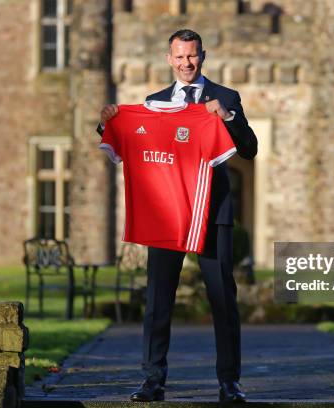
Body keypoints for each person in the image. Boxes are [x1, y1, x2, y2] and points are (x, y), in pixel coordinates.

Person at [97, 29, 257, 403]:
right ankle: (153, 380)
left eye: (193, 56)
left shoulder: (226, 97)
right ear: (168, 59)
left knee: (222, 300)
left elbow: (248, 149)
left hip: (212, 214)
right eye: (180, 57)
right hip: (167, 216)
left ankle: (229, 383)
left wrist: (227, 116)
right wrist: (107, 123)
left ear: (204, 56)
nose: (187, 64)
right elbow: (132, 138)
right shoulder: (153, 103)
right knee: (158, 300)